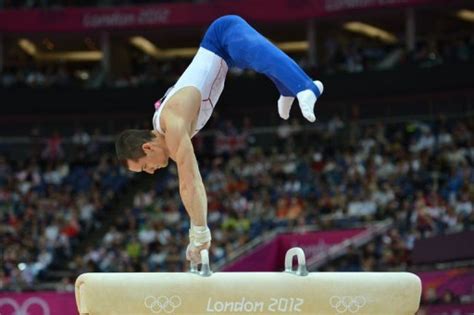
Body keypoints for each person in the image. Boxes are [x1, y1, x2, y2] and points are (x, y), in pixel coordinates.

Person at [115, 15, 324, 264]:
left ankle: (305, 87)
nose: (151, 172)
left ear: (147, 147)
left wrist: (199, 233)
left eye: (145, 166)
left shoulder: (171, 123)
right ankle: (287, 88)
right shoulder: (162, 125)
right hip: (226, 56)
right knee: (258, 63)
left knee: (259, 56)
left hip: (221, 37)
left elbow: (190, 181)